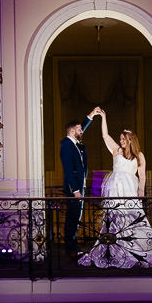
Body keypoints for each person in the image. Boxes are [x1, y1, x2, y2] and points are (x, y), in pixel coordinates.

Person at [79, 108, 152, 269]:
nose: (121, 140)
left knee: (132, 217)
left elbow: (143, 175)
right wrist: (103, 117)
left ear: (130, 139)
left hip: (129, 189)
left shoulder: (139, 155)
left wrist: (141, 190)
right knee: (114, 218)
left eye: (123, 138)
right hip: (115, 188)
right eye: (120, 138)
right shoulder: (116, 150)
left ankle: (136, 249)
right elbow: (105, 135)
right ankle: (114, 250)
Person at [59, 109, 96, 260]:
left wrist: (91, 115)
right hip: (73, 189)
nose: (82, 131)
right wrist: (75, 191)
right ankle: (71, 248)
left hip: (80, 187)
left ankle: (73, 246)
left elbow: (82, 129)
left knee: (75, 218)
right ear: (73, 130)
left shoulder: (75, 143)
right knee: (72, 218)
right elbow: (68, 170)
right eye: (80, 128)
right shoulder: (67, 145)